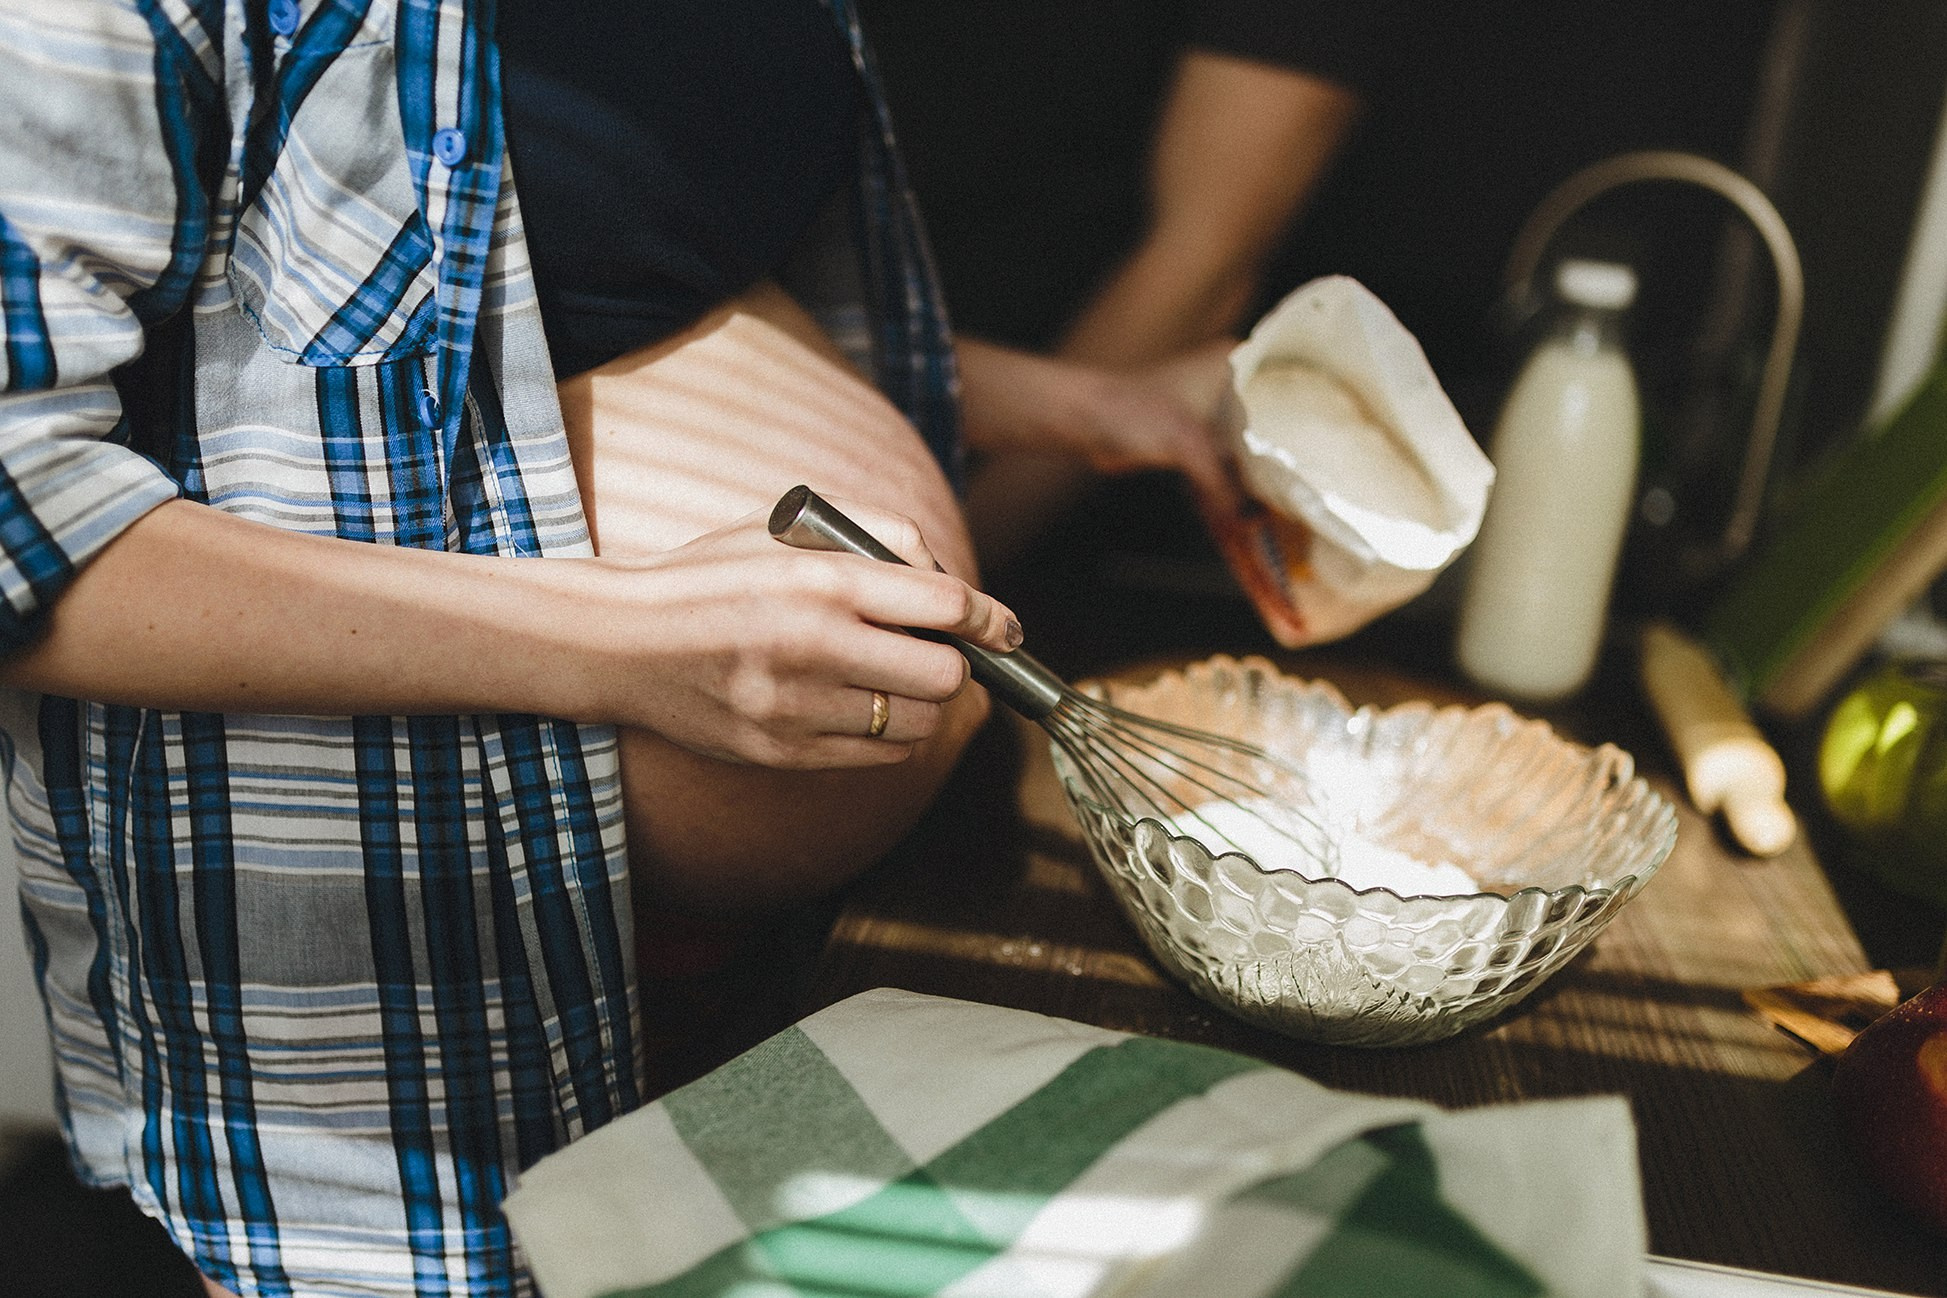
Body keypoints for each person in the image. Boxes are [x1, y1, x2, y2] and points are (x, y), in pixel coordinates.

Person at [0, 2, 1025, 1295]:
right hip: (411, 1031)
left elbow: (617, 278)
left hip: (775, 959)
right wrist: (626, 641)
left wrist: (1077, 402)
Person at [858, 0, 1415, 574]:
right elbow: (788, 316)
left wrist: (957, 558)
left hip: (1050, 512)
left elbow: (1205, 261)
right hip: (851, 452)